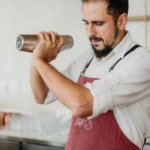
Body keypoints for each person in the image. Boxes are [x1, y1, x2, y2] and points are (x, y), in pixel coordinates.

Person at [30, 0, 150, 149]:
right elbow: (42, 95)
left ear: (121, 21)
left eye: (98, 23)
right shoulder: (87, 58)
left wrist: (39, 60)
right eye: (86, 23)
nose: (89, 33)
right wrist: (38, 57)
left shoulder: (142, 62)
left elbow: (82, 105)